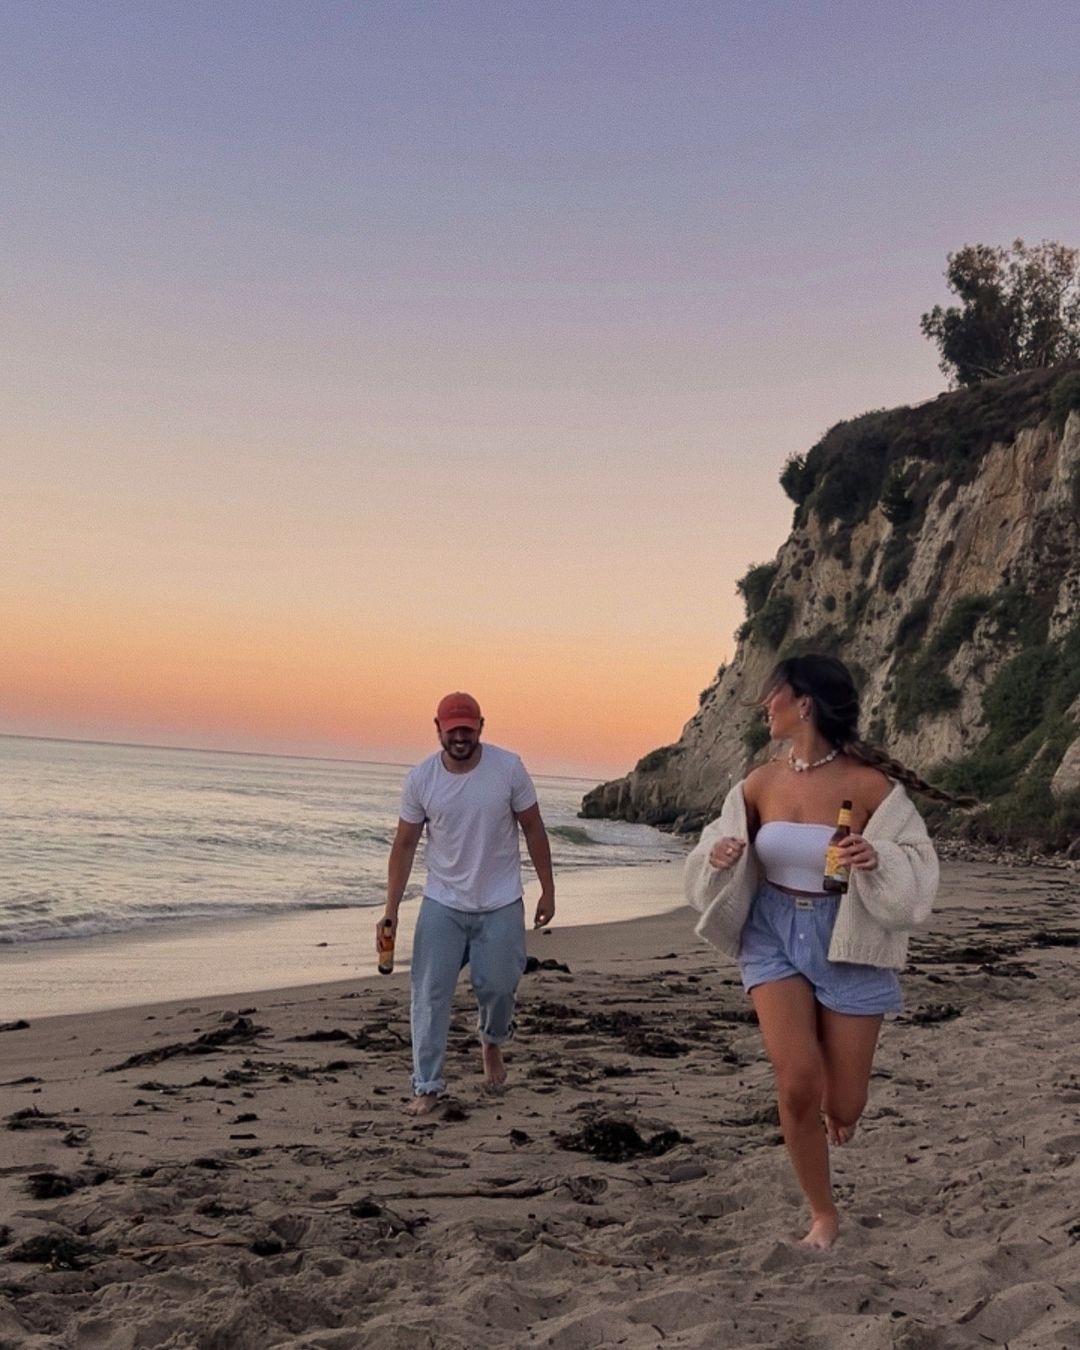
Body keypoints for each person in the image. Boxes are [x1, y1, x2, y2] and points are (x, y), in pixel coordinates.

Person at [685, 654, 971, 1249]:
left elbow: (918, 864)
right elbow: (715, 842)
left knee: (843, 1102)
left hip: (849, 939)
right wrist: (717, 856)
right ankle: (823, 1214)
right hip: (772, 933)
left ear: (804, 703)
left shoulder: (869, 786)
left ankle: (837, 1111)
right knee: (797, 1084)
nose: (765, 706)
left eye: (773, 695)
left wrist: (877, 858)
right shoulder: (759, 782)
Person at [380, 692, 555, 1116]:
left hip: (500, 901)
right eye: (452, 729)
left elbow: (533, 828)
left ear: (481, 726)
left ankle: (492, 1041)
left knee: (499, 986)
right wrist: (391, 910)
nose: (460, 737)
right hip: (442, 902)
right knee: (429, 994)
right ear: (438, 729)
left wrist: (547, 889)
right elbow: (404, 845)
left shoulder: (508, 768)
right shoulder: (421, 779)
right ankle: (427, 1085)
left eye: (467, 729)